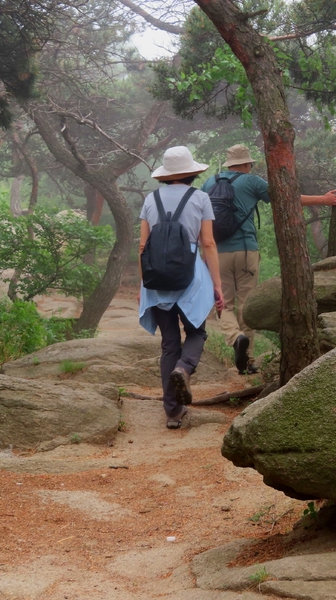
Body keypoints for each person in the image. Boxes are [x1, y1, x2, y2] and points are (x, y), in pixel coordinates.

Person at [201, 144, 336, 375]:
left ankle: (235, 337)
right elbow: (288, 199)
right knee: (247, 305)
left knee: (224, 304)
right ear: (247, 164)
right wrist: (323, 199)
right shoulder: (252, 182)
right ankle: (247, 362)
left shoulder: (208, 183)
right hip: (246, 251)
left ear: (228, 164)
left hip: (216, 253)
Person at [139, 146, 224, 430]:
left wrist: (145, 284)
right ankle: (184, 368)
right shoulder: (200, 198)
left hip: (156, 281)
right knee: (197, 331)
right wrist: (217, 285)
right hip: (191, 279)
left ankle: (173, 413)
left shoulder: (150, 199)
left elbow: (143, 245)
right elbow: (209, 243)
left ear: (165, 175)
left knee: (169, 344)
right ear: (191, 173)